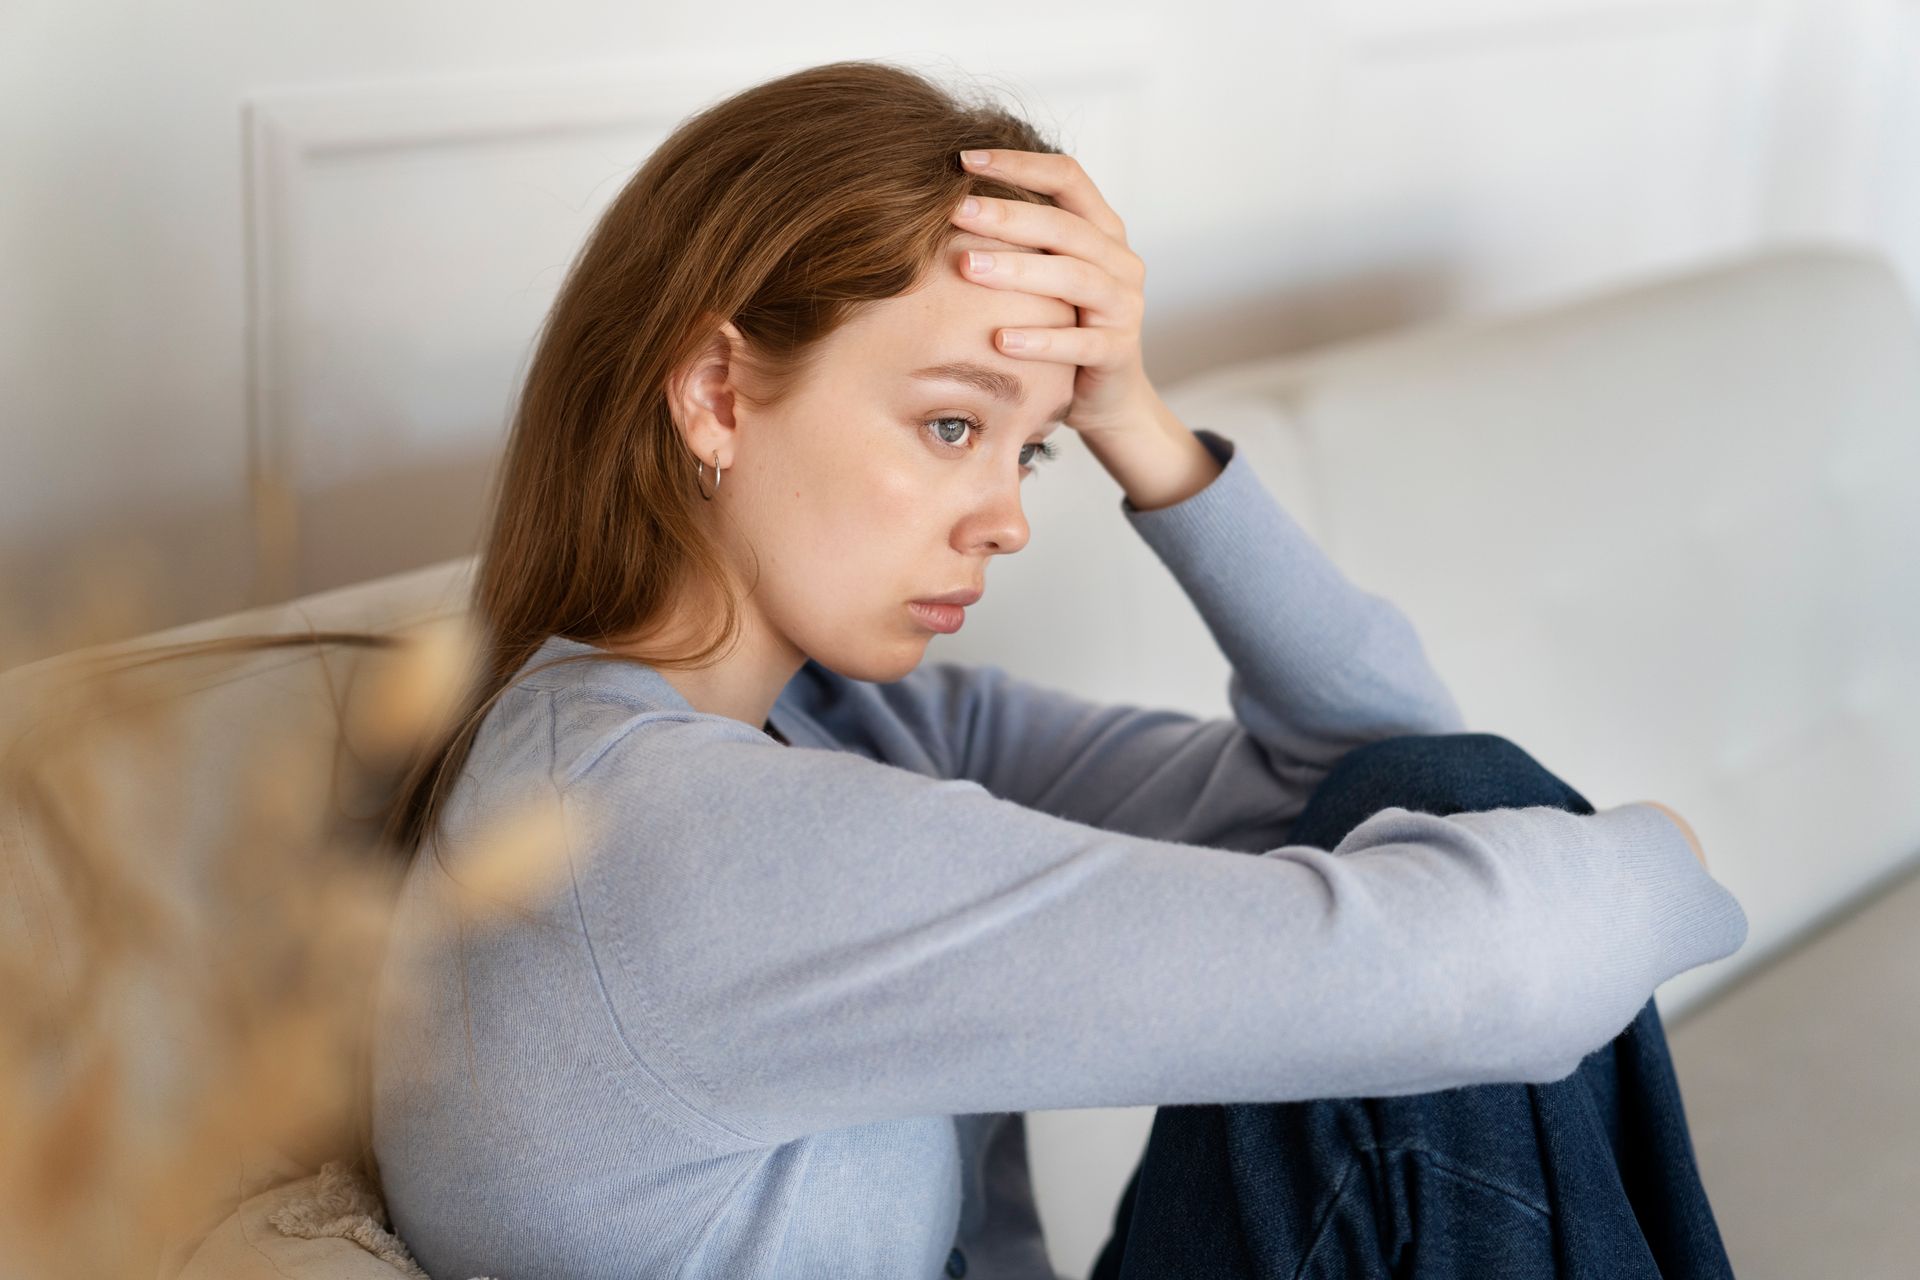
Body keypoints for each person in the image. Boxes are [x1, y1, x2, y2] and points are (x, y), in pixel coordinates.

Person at [364, 60, 1749, 1279]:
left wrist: (1135, 419)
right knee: (1494, 907)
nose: (1009, 516)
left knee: (1456, 794)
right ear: (717, 394)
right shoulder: (650, 838)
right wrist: (1669, 857)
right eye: (951, 423)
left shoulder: (857, 723)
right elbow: (1480, 975)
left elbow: (1382, 761)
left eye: (1028, 448)